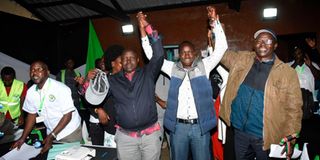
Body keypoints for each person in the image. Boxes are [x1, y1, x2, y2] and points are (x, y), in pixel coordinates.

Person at [138, 6, 227, 160]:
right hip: (178, 128)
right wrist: (143, 28)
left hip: (200, 127)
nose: (186, 54)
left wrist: (215, 22)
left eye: (189, 51)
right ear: (179, 54)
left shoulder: (204, 66)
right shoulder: (172, 68)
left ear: (195, 53)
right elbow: (151, 54)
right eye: (183, 52)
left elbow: (221, 49)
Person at [84, 12, 164, 160]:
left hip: (150, 136)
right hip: (126, 139)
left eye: (131, 58)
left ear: (138, 60)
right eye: (124, 58)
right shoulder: (112, 80)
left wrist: (146, 26)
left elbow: (158, 54)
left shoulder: (148, 73)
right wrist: (87, 83)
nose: (127, 61)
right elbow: (94, 97)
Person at [218, 27, 303, 159]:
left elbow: (294, 109)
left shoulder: (287, 73)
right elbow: (221, 54)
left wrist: (291, 139)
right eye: (259, 40)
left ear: (275, 45)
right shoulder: (243, 60)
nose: (262, 44)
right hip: (240, 133)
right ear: (254, 43)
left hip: (266, 137)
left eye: (268, 41)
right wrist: (215, 28)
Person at [11, 61, 82, 154]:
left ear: (47, 72)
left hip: (69, 131)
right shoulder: (31, 92)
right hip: (52, 132)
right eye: (32, 70)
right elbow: (31, 116)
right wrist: (22, 138)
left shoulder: (60, 88)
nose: (34, 72)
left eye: (39, 69)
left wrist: (51, 136)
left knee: (73, 156)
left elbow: (68, 116)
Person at [86, 45, 123, 145]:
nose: (125, 64)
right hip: (111, 131)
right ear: (112, 63)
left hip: (130, 132)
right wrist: (98, 110)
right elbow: (89, 101)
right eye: (121, 62)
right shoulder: (102, 80)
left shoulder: (131, 79)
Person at [56, 58, 87, 125]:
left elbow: (81, 87)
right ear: (65, 64)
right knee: (66, 118)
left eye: (72, 62)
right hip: (65, 100)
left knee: (77, 118)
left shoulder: (77, 73)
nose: (71, 64)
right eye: (69, 62)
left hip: (76, 100)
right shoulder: (61, 73)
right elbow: (57, 87)